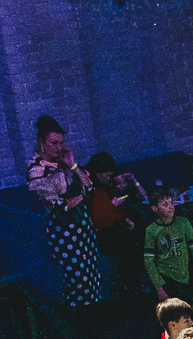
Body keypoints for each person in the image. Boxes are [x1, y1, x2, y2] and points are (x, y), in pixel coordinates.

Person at [25, 115, 101, 314]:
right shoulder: (37, 171)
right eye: (54, 143)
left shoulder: (63, 165)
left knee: (91, 274)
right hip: (64, 230)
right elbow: (57, 205)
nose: (59, 147)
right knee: (77, 278)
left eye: (61, 142)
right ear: (41, 142)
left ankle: (94, 316)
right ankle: (80, 320)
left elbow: (90, 188)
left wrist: (73, 165)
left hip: (82, 225)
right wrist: (80, 196)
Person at [85, 152, 148, 295]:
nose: (108, 178)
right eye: (106, 175)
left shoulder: (108, 186)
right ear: (97, 172)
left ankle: (136, 281)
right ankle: (131, 284)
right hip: (103, 232)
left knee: (139, 230)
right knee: (132, 242)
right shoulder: (95, 190)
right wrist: (119, 213)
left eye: (110, 175)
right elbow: (102, 220)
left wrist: (125, 218)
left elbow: (121, 210)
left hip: (116, 225)